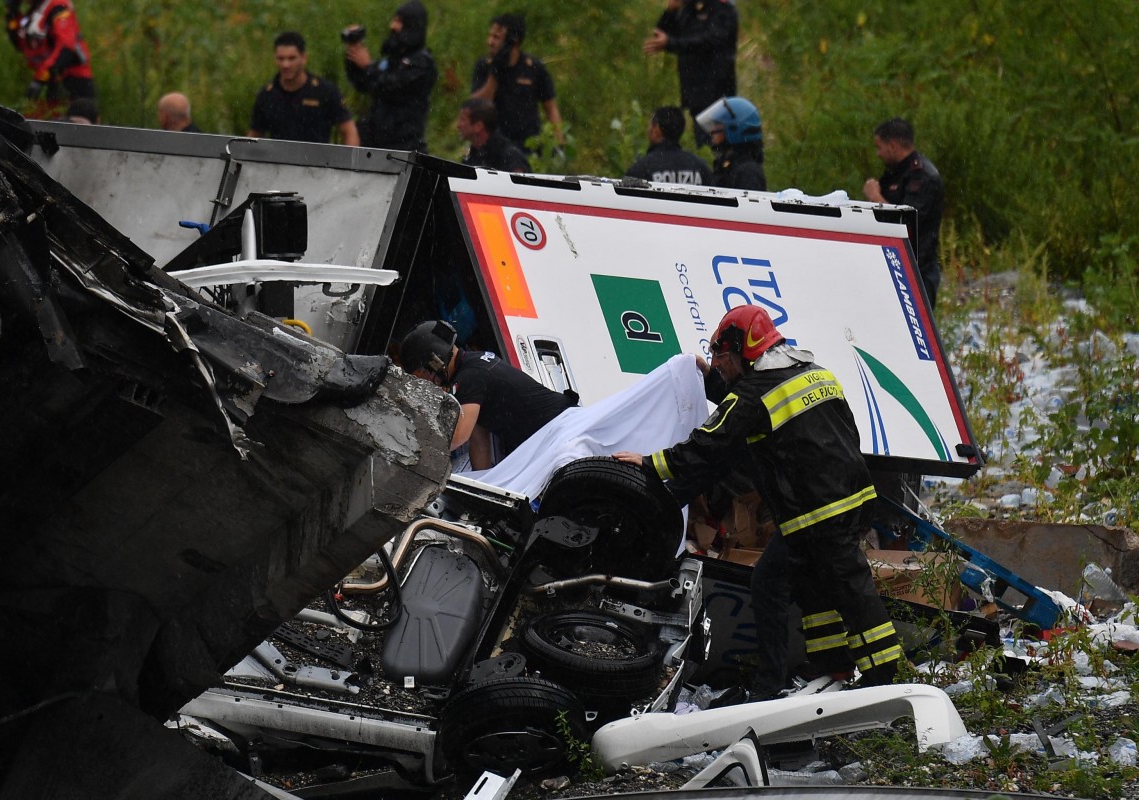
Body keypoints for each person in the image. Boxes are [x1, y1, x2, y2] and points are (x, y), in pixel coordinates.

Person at [614, 305, 905, 688]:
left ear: (740, 351)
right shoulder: (814, 373)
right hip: (849, 498)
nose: (719, 365)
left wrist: (651, 463)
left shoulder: (755, 393)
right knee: (812, 584)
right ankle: (830, 665)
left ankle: (883, 677)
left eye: (721, 358)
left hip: (818, 512)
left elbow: (711, 441)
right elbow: (765, 414)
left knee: (848, 588)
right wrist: (709, 381)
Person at [399, 320, 578, 470]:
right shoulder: (472, 365)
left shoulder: (471, 376)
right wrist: (480, 486)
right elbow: (479, 440)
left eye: (422, 375)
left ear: (435, 363)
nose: (428, 384)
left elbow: (458, 437)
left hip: (565, 436)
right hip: (557, 434)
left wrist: (416, 455)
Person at [863, 118, 944, 309]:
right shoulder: (896, 173)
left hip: (918, 269)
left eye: (880, 147)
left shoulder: (923, 176)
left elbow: (906, 221)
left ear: (892, 145)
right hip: (893, 265)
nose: (878, 154)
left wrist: (875, 197)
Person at [343, 1, 437, 152]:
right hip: (376, 142)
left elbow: (391, 87)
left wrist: (368, 67)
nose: (392, 26)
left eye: (399, 21)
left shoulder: (422, 63)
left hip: (402, 144)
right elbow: (363, 84)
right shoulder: (391, 61)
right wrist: (353, 56)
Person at [642, 0, 738, 145]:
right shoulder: (689, 10)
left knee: (717, 148)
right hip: (695, 94)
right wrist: (671, 11)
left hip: (717, 94)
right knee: (704, 145)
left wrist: (670, 44)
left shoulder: (723, 11)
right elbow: (663, 34)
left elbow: (707, 42)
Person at [469, 13, 564, 151]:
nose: (489, 42)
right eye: (490, 36)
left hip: (527, 147)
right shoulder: (484, 66)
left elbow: (550, 107)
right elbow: (476, 108)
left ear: (513, 41)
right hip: (493, 146)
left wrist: (558, 142)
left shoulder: (533, 68)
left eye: (496, 38)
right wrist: (495, 75)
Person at [248, 32, 359, 145]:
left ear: (304, 58)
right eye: (280, 59)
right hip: (279, 159)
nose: (285, 65)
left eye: (292, 58)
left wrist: (349, 161)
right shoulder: (267, 95)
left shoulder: (324, 91)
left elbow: (349, 131)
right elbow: (254, 137)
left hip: (317, 160)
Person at [5, 0, 95, 109]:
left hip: (72, 78)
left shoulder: (57, 6)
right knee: (40, 120)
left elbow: (66, 46)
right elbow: (22, 45)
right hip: (48, 79)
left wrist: (42, 76)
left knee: (76, 120)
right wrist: (12, 14)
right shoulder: (34, 12)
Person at [624, 106, 710, 185]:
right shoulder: (700, 168)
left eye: (650, 125)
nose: (648, 130)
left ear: (656, 130)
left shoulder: (641, 169)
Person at [696, 96, 766, 191]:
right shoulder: (730, 165)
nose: (712, 130)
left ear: (734, 129)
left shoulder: (747, 172)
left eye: (717, 124)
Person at [456, 98, 531, 173]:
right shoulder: (472, 155)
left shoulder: (510, 156)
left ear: (478, 126)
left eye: (462, 119)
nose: (458, 125)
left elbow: (519, 183)